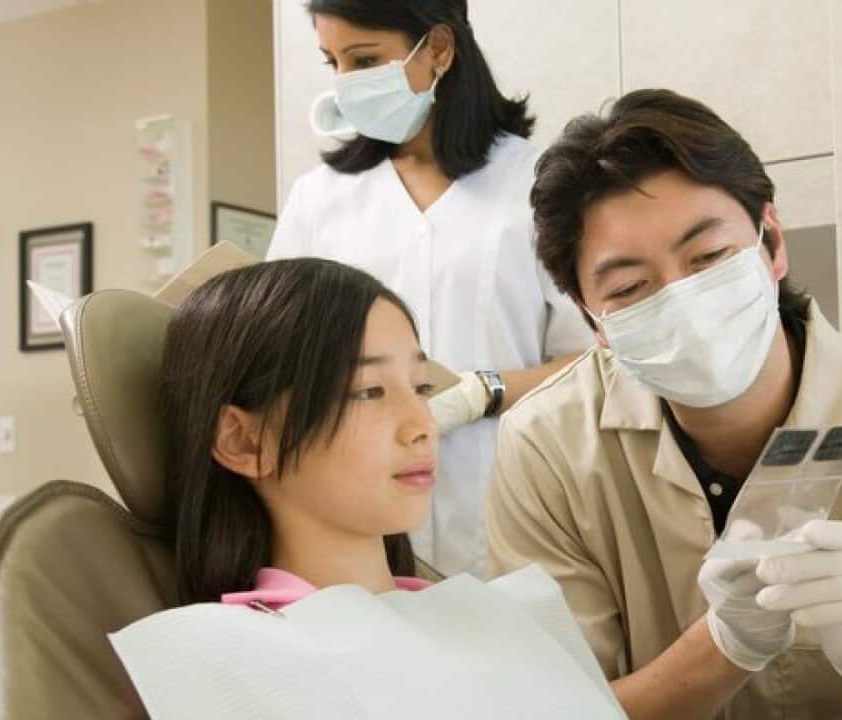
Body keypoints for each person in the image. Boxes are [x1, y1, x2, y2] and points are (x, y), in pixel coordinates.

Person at [484, 89, 842, 719]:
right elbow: (549, 710)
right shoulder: (548, 448)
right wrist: (724, 646)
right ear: (590, 318)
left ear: (773, 243)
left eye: (710, 257)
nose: (685, 304)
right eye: (629, 287)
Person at [126, 258, 621, 717]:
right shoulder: (238, 664)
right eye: (368, 392)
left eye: (421, 387)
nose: (422, 424)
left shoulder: (487, 617)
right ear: (244, 440)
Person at [267, 0, 592, 577]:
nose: (345, 83)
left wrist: (482, 392)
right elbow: (277, 353)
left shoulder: (538, 185)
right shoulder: (318, 199)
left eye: (364, 60)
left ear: (439, 48)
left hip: (511, 500)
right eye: (333, 63)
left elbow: (596, 361)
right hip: (359, 515)